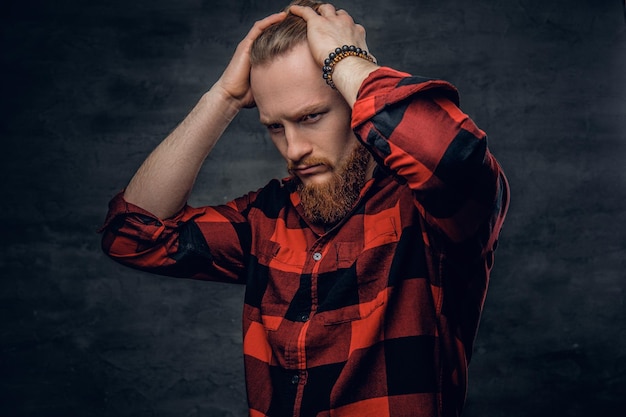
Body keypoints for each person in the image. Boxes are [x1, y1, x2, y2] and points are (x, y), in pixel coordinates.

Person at [100, 0, 509, 415]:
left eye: (311, 116)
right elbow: (132, 235)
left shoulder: (429, 210)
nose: (293, 150)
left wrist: (347, 60)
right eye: (276, 127)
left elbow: (454, 155)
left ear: (353, 98)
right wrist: (222, 98)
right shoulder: (268, 214)